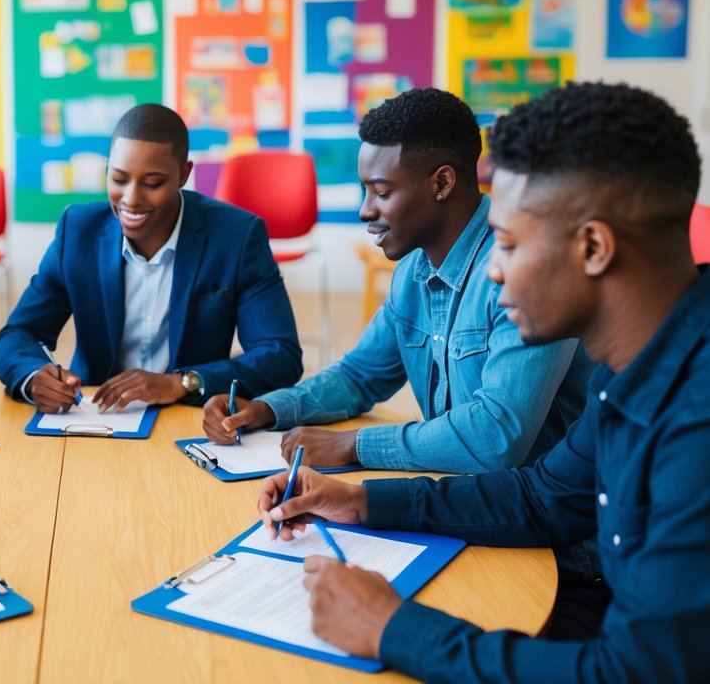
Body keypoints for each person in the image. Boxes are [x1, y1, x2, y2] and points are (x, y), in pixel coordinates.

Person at [258, 82, 709, 681]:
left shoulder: (695, 416)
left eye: (511, 244)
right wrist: (358, 501)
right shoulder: (639, 365)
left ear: (594, 248)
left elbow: (634, 672)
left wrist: (394, 628)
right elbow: (545, 497)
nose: (492, 270)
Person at [202, 88, 591, 473]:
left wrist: (353, 445)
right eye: (365, 191)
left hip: (551, 523)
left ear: (441, 184)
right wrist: (268, 408)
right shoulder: (412, 271)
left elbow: (496, 438)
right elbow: (359, 376)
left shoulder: (526, 272)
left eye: (381, 192)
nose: (365, 210)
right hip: (471, 493)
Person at [0, 103, 303, 413]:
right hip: (93, 413)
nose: (130, 199)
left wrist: (181, 383)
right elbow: (19, 335)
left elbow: (280, 356)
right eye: (118, 179)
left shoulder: (236, 236)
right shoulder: (77, 232)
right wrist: (35, 378)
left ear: (184, 174)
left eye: (152, 183)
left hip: (188, 414)